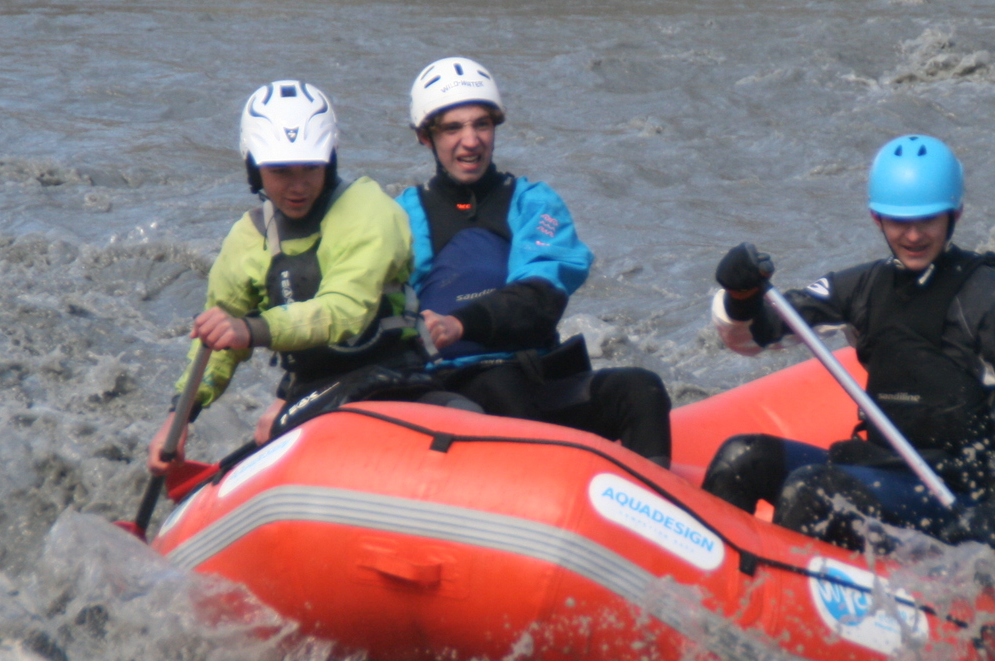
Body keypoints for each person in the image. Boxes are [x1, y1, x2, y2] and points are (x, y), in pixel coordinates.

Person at [702, 134, 995, 549]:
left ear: (955, 214)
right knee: (741, 458)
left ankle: (784, 587)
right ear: (877, 218)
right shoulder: (864, 287)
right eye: (899, 221)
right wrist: (740, 299)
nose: (913, 236)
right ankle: (708, 579)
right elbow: (751, 339)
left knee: (811, 491)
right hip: (882, 467)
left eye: (927, 220)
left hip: (959, 491)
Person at [148, 80, 432, 475]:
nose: (298, 187)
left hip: (394, 377)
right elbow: (217, 340)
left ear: (329, 161)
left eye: (311, 168)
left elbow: (344, 311)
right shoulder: (248, 239)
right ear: (255, 168)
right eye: (281, 171)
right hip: (309, 389)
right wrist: (179, 417)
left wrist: (251, 329)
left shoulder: (370, 210)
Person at [396, 55, 672, 463]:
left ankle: (649, 499)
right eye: (453, 128)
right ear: (425, 137)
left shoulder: (533, 203)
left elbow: (540, 298)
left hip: (537, 378)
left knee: (642, 389)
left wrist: (460, 324)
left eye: (481, 125)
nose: (471, 141)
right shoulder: (401, 217)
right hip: (454, 392)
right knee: (500, 386)